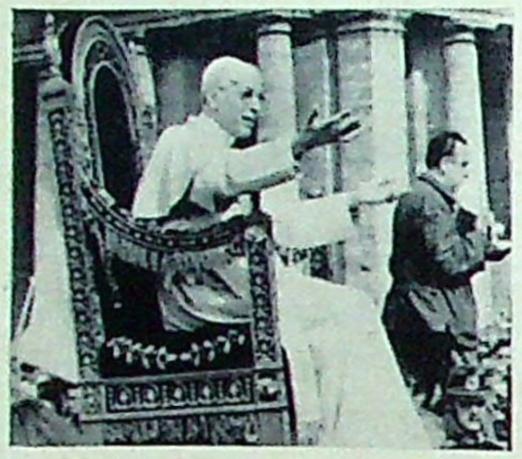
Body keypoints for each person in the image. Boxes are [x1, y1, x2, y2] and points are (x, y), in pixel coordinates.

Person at [132, 55, 431, 447]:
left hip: (236, 279)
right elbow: (222, 179)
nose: (255, 107)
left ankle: (354, 441)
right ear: (213, 97)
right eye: (246, 95)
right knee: (348, 309)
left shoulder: (227, 152)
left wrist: (356, 198)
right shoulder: (182, 140)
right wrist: (302, 143)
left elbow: (279, 225)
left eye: (260, 97)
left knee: (345, 315)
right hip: (199, 288)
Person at [382, 131, 511, 415]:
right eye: (462, 165)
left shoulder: (428, 198)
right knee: (440, 405)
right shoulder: (429, 202)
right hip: (429, 317)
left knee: (432, 402)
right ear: (444, 164)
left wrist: (486, 243)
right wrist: (480, 238)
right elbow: (449, 261)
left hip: (424, 312)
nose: (466, 173)